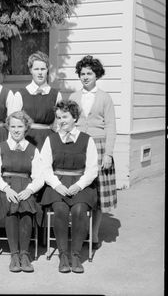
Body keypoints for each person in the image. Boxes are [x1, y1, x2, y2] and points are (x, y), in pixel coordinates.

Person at [40, 100, 98, 274]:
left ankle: (76, 255)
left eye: (65, 117)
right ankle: (63, 256)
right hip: (57, 184)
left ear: (75, 118)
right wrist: (57, 185)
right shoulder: (51, 139)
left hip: (81, 184)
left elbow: (92, 169)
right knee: (61, 210)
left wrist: (79, 186)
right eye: (58, 117)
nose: (61, 121)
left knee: (79, 210)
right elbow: (45, 167)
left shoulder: (87, 140)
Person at [69, 55, 117, 250]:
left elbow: (111, 127)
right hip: (79, 145)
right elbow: (67, 122)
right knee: (79, 189)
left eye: (90, 73)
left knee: (97, 194)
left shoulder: (105, 97)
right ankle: (77, 230)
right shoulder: (74, 97)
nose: (86, 77)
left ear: (97, 75)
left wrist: (108, 154)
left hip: (99, 147)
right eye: (82, 74)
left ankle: (94, 233)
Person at [0, 111, 44, 273]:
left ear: (26, 128)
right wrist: (6, 189)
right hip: (5, 188)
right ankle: (14, 254)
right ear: (8, 127)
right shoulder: (0, 148)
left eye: (20, 126)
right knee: (12, 205)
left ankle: (25, 254)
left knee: (26, 205)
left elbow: (39, 177)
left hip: (26, 187)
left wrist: (30, 190)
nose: (16, 130)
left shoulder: (33, 149)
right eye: (12, 126)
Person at [17, 51, 62, 150]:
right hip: (26, 140)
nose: (40, 72)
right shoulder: (20, 94)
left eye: (43, 69)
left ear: (47, 70)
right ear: (31, 70)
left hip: (49, 140)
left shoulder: (55, 95)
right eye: (36, 69)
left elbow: (59, 124)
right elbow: (14, 123)